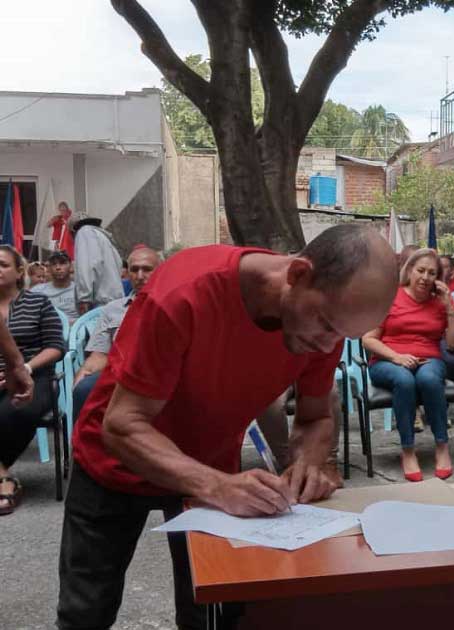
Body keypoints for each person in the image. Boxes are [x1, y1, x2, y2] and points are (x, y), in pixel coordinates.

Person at [56, 225, 398, 629]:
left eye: (343, 335)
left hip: (212, 466)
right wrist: (218, 486)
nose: (328, 347)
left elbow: (316, 415)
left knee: (215, 614)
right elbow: (123, 424)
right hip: (115, 461)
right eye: (324, 325)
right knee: (86, 613)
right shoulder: (185, 292)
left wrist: (309, 462)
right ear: (298, 273)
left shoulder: (327, 324)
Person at [363, 248, 454, 482]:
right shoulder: (390, 297)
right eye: (420, 270)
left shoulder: (441, 303)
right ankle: (408, 449)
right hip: (387, 360)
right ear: (409, 271)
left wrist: (449, 306)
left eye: (432, 273)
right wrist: (396, 357)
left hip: (429, 359)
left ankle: (442, 445)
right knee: (404, 379)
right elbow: (368, 339)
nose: (425, 277)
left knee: (428, 379)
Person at [0, 245, 65, 515]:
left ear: (19, 272)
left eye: (3, 264)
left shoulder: (37, 302)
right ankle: (5, 477)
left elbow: (55, 346)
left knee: (14, 410)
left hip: (34, 376)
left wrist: (24, 368)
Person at [71, 246, 162, 417]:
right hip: (118, 374)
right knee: (84, 388)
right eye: (134, 270)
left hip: (158, 374)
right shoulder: (112, 309)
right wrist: (87, 370)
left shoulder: (172, 305)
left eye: (147, 269)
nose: (140, 276)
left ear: (160, 271)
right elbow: (100, 354)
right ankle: (84, 443)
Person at [69, 211, 124, 313]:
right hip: (115, 303)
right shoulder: (103, 238)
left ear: (72, 231)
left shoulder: (83, 232)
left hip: (100, 306)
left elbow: (86, 269)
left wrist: (84, 299)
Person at [31, 250, 80, 323]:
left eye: (62, 263)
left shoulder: (80, 290)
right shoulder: (37, 291)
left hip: (75, 332)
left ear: (70, 266)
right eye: (54, 264)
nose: (58, 267)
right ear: (49, 268)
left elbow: (89, 317)